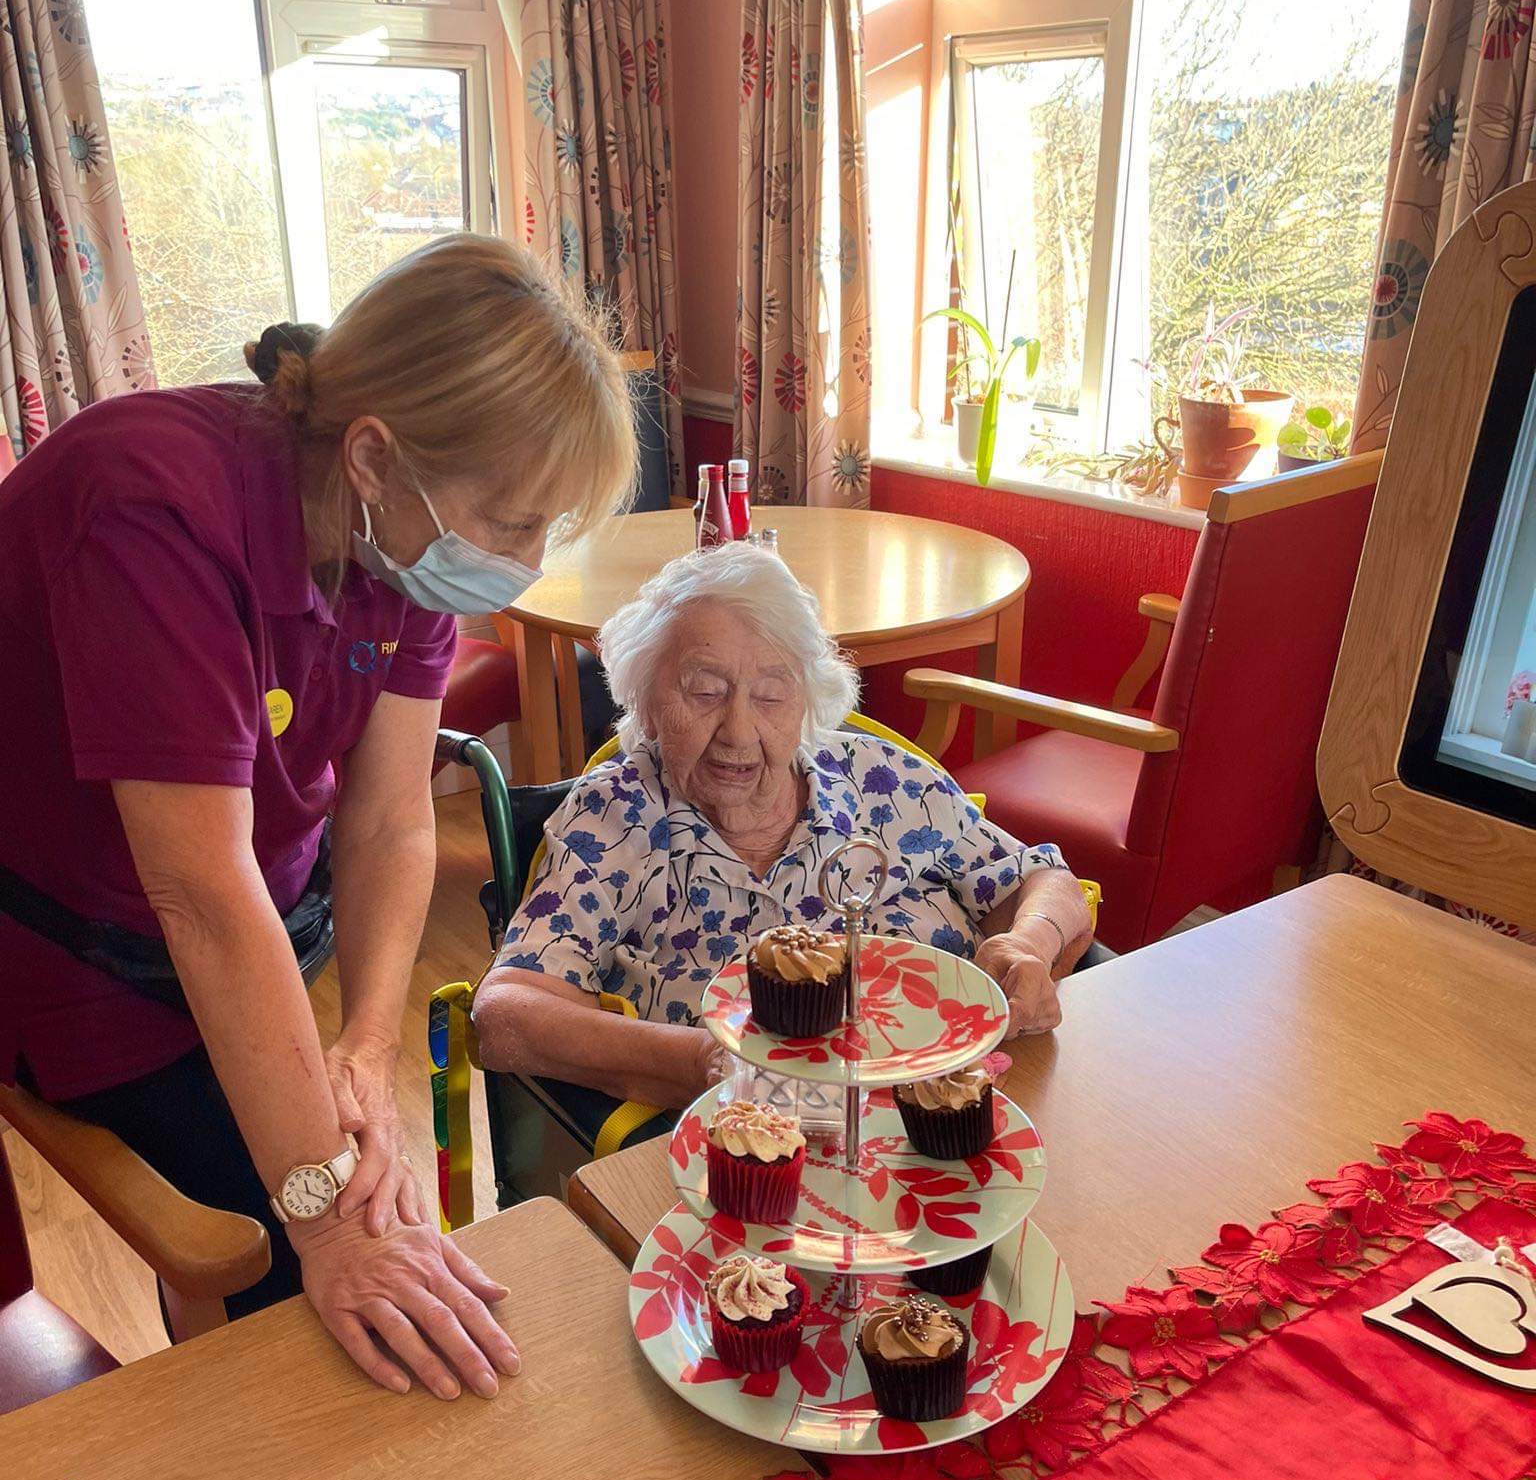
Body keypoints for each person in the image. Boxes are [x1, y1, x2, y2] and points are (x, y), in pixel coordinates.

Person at [0, 235, 637, 1399]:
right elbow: (200, 892)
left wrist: (364, 1050)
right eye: (513, 522)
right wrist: (323, 1216)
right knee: (308, 1271)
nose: (526, 561)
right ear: (374, 455)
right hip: (84, 951)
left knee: (350, 1207)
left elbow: (391, 818)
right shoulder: (151, 505)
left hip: (252, 922)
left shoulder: (400, 537)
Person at [472, 544, 1093, 1106]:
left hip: (972, 1110)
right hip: (748, 1152)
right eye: (704, 691)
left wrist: (1028, 945)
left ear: (808, 700)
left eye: (771, 696)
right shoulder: (614, 818)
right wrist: (701, 1059)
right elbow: (506, 1013)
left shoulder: (883, 779)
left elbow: (1043, 880)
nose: (739, 732)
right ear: (647, 701)